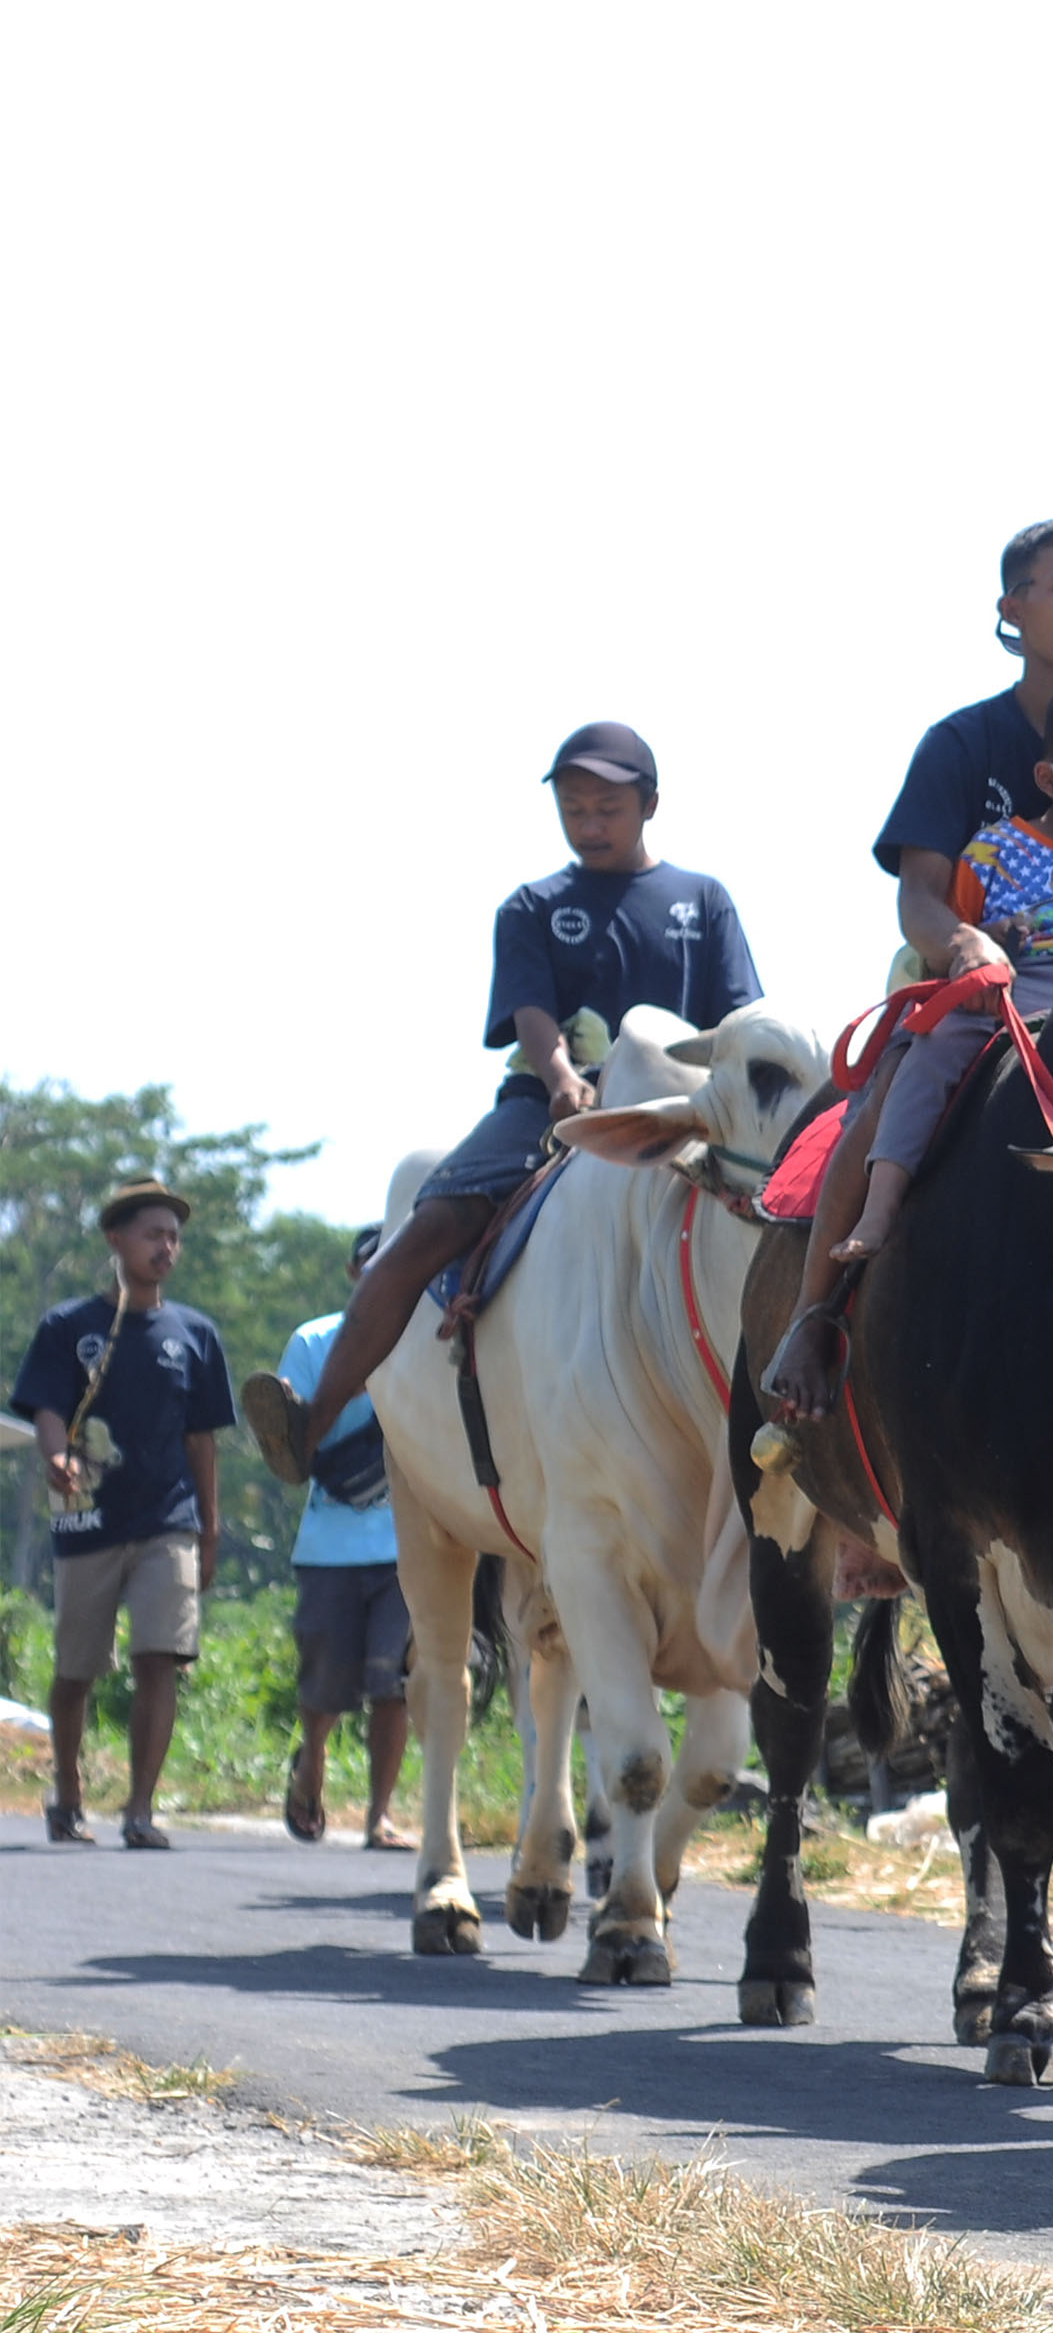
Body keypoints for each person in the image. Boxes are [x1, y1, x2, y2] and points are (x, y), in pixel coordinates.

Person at [763, 520, 1053, 1416]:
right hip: (975, 978)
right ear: (1013, 609)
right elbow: (921, 899)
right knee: (891, 1087)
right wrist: (964, 944)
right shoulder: (961, 744)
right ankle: (815, 1314)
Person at [244, 724, 761, 1483]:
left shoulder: (703, 900)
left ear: (650, 804)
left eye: (607, 807)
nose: (589, 823)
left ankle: (809, 1434)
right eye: (574, 807)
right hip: (548, 1105)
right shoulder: (533, 905)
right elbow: (530, 1013)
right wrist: (560, 1080)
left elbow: (739, 1020)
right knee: (429, 1226)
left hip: (676, 1112)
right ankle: (312, 1420)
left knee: (784, 1214)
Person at [830, 680, 1053, 1269]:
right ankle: (880, 1204)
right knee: (933, 1048)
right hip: (1012, 994)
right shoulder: (992, 852)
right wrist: (980, 958)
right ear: (1051, 781)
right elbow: (959, 933)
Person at [13, 1177, 234, 1848]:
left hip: (168, 1518)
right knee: (76, 1669)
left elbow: (203, 1439)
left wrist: (210, 1526)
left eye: (173, 1235)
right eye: (152, 1234)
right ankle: (69, 1793)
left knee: (159, 1657)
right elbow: (48, 1406)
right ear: (117, 1241)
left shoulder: (195, 1334)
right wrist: (56, 1456)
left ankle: (140, 1808)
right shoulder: (69, 1327)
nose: (166, 1247)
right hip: (89, 1521)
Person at [274, 1227, 412, 1851]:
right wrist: (352, 1379)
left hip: (408, 1542)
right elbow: (289, 1446)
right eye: (373, 1263)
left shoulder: (427, 1335)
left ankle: (379, 1813)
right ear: (356, 1275)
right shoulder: (314, 1340)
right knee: (325, 1682)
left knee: (396, 1681)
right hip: (330, 1542)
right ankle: (313, 1762)